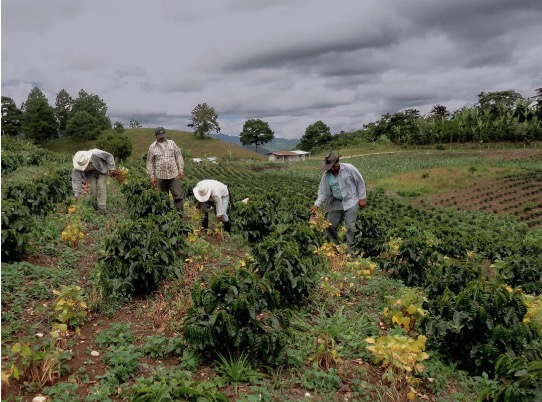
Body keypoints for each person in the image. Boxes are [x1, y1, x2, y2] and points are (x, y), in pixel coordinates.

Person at [310, 151, 367, 253]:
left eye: (333, 166)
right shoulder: (326, 175)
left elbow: (360, 182)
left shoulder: (349, 168)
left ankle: (351, 252)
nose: (332, 168)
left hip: (351, 201)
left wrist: (362, 198)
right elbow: (323, 192)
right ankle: (334, 247)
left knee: (351, 227)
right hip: (335, 203)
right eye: (329, 167)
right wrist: (316, 204)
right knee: (329, 225)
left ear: (338, 162)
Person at [146, 127, 185, 213]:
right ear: (156, 136)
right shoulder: (152, 147)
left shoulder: (172, 143)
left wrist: (181, 169)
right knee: (163, 198)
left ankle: (180, 215)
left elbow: (178, 155)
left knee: (178, 195)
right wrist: (151, 176)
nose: (162, 137)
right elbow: (150, 162)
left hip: (173, 174)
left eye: (163, 135)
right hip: (161, 176)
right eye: (160, 136)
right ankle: (166, 215)